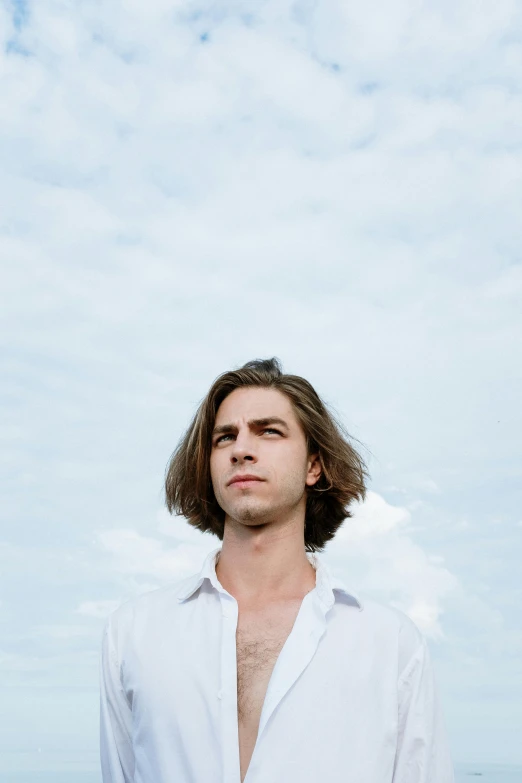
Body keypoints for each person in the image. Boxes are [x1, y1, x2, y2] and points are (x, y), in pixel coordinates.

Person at [99, 357, 455, 783]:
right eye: (224, 437)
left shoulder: (391, 645)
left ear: (313, 466)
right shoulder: (134, 633)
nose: (241, 449)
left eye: (269, 431)